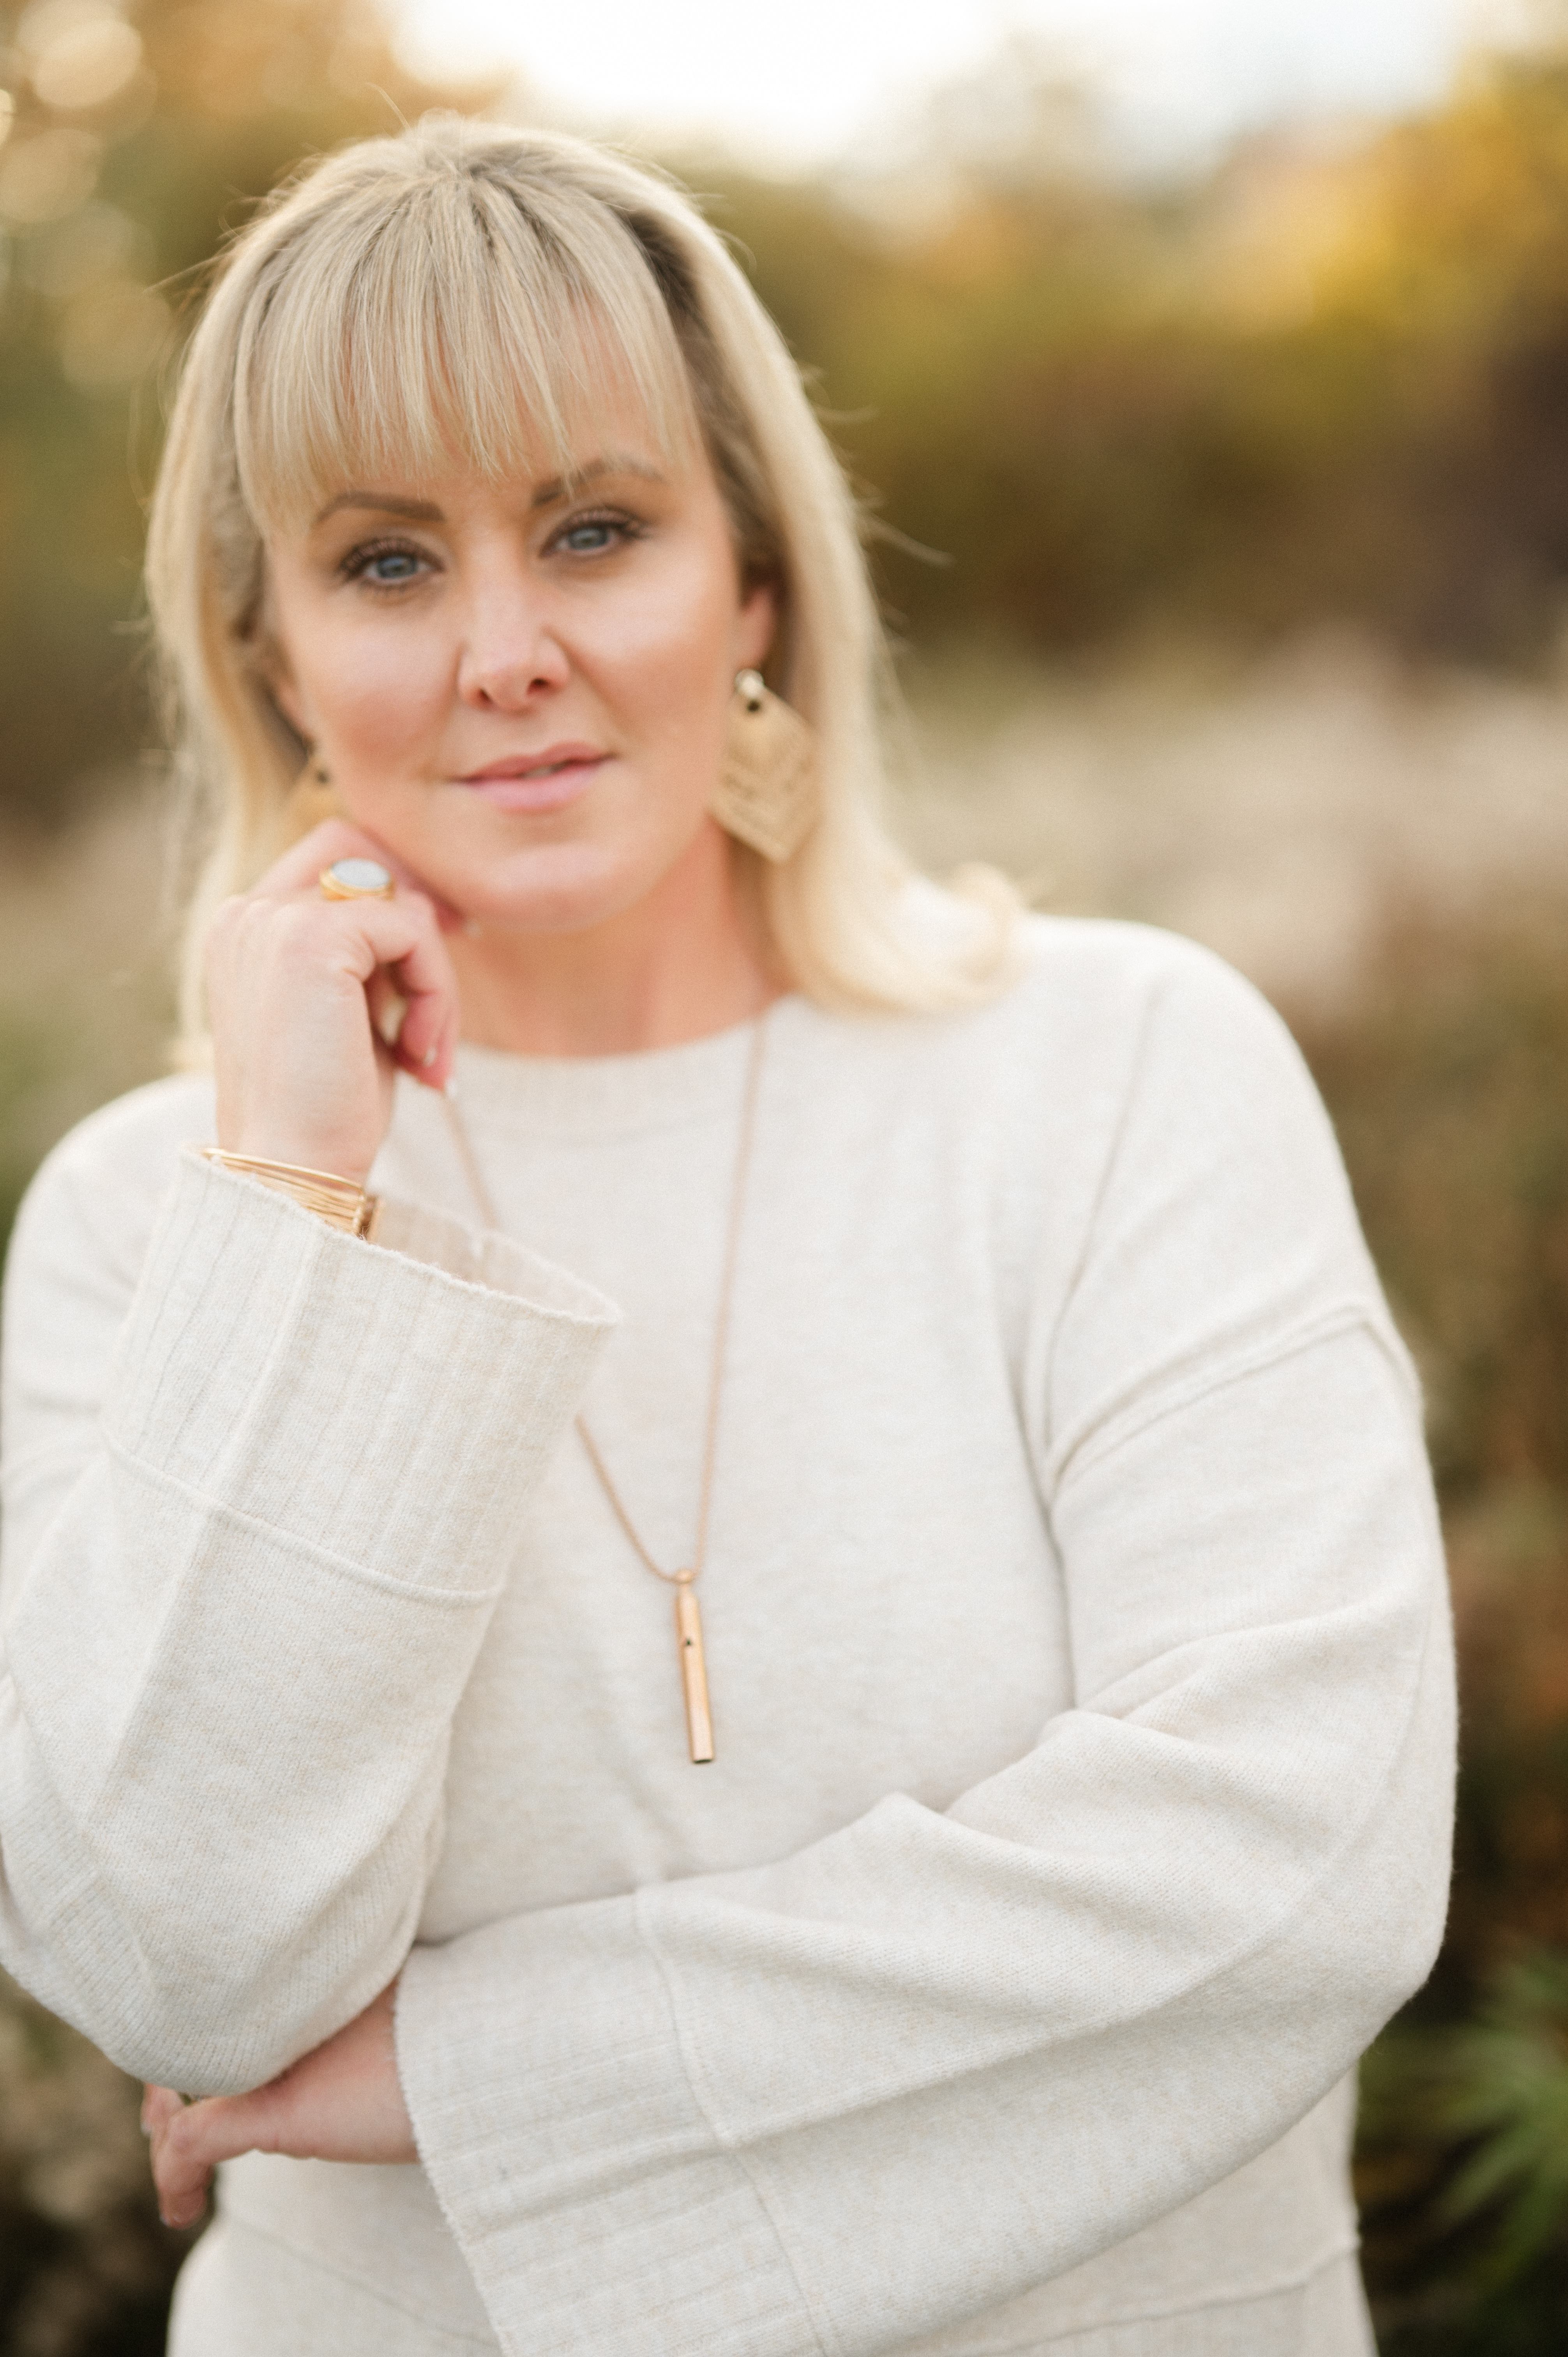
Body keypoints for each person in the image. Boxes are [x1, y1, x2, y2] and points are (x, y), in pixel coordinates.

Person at [0, 115, 1453, 2357]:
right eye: (385, 564)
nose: (505, 649)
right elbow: (183, 1965)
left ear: (754, 575)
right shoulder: (143, 1222)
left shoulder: (1124, 1075)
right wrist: (298, 1208)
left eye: (592, 528)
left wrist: (469, 2079)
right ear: (267, 647)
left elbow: (1291, 1872)